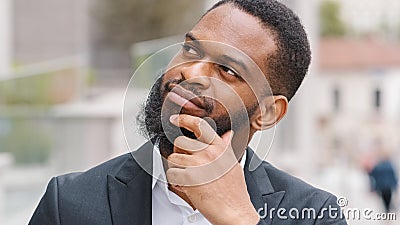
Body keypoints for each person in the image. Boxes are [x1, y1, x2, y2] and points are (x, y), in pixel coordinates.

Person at [29, 0, 347, 224]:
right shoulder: (68, 202)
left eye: (226, 69)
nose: (190, 72)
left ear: (266, 112)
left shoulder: (315, 215)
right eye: (191, 50)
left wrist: (239, 219)